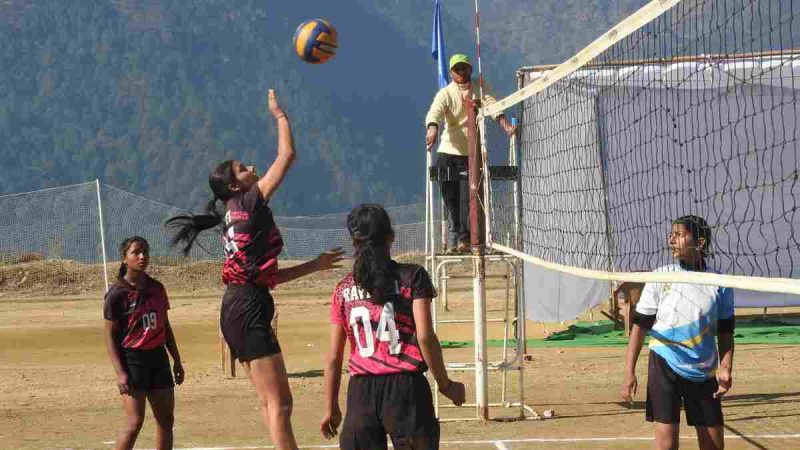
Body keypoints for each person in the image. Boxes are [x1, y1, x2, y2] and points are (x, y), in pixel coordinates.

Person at [165, 89, 344, 450]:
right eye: (243, 168)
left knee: (269, 403)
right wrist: (280, 116)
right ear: (235, 184)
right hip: (246, 309)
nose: (251, 167)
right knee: (281, 404)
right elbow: (287, 155)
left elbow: (269, 278)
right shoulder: (248, 199)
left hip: (241, 306)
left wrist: (316, 265)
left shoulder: (232, 211)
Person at [320, 203, 466, 450]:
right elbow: (425, 336)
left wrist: (331, 407)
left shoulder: (343, 289)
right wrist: (446, 385)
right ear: (391, 237)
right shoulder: (413, 276)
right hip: (407, 390)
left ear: (354, 242)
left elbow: (334, 358)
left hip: (361, 394)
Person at [621, 215, 735, 450]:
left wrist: (726, 367)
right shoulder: (661, 276)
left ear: (700, 243)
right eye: (671, 234)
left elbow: (725, 332)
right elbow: (640, 327)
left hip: (703, 369)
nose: (671, 240)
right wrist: (629, 371)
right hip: (664, 362)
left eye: (679, 235)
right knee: (666, 445)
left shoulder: (719, 282)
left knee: (713, 445)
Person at [424, 53, 516, 253]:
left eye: (464, 68)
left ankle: (465, 238)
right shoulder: (445, 93)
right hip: (447, 152)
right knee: (450, 197)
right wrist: (432, 128)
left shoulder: (479, 87)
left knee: (468, 195)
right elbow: (435, 112)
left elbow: (492, 104)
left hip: (470, 156)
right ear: (451, 73)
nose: (461, 72)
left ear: (470, 69)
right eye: (457, 69)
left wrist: (505, 125)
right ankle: (456, 235)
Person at [104, 236, 184, 450]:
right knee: (134, 422)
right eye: (136, 252)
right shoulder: (117, 294)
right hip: (133, 361)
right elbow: (110, 337)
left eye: (146, 252)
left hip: (158, 359)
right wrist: (120, 372)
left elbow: (165, 326)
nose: (142, 256)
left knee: (166, 420)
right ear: (124, 257)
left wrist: (176, 359)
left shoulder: (157, 288)